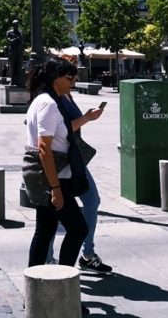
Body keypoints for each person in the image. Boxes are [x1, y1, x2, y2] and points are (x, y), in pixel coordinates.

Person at [25, 58, 89, 268]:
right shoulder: (48, 104)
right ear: (55, 78)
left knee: (45, 231)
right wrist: (55, 188)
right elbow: (44, 148)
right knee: (78, 229)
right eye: (69, 76)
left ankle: (37, 291)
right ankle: (64, 285)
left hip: (52, 174)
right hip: (54, 176)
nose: (73, 80)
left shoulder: (46, 100)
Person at [47, 89, 111, 272]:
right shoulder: (50, 98)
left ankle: (87, 254)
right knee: (52, 211)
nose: (74, 78)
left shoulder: (66, 94)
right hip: (59, 160)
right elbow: (61, 130)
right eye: (69, 74)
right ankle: (48, 259)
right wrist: (87, 118)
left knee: (92, 201)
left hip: (74, 158)